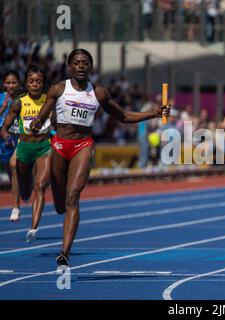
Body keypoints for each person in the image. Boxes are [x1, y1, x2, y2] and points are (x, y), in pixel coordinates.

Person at [29, 49, 170, 267]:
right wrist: (38, 122)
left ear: (91, 67)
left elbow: (123, 116)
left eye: (85, 63)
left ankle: (64, 253)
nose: (81, 66)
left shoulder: (99, 93)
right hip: (59, 145)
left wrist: (155, 113)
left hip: (83, 146)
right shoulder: (58, 89)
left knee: (73, 196)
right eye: (77, 63)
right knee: (59, 205)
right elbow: (43, 114)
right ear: (69, 66)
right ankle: (61, 210)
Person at [1, 65, 51, 242]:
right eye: (32, 81)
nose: (35, 85)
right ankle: (21, 197)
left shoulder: (49, 101)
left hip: (44, 147)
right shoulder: (19, 102)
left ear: (43, 83)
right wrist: (6, 135)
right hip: (24, 148)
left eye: (38, 81)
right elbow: (4, 127)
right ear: (26, 83)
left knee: (40, 186)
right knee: (26, 191)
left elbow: (59, 124)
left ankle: (34, 227)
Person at [0, 71, 21, 222]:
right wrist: (3, 107)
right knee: (10, 170)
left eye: (14, 82)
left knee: (15, 169)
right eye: (8, 82)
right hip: (3, 140)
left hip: (19, 139)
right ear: (4, 84)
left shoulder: (22, 99)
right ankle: (23, 191)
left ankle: (15, 207)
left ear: (19, 84)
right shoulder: (1, 98)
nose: (11, 85)